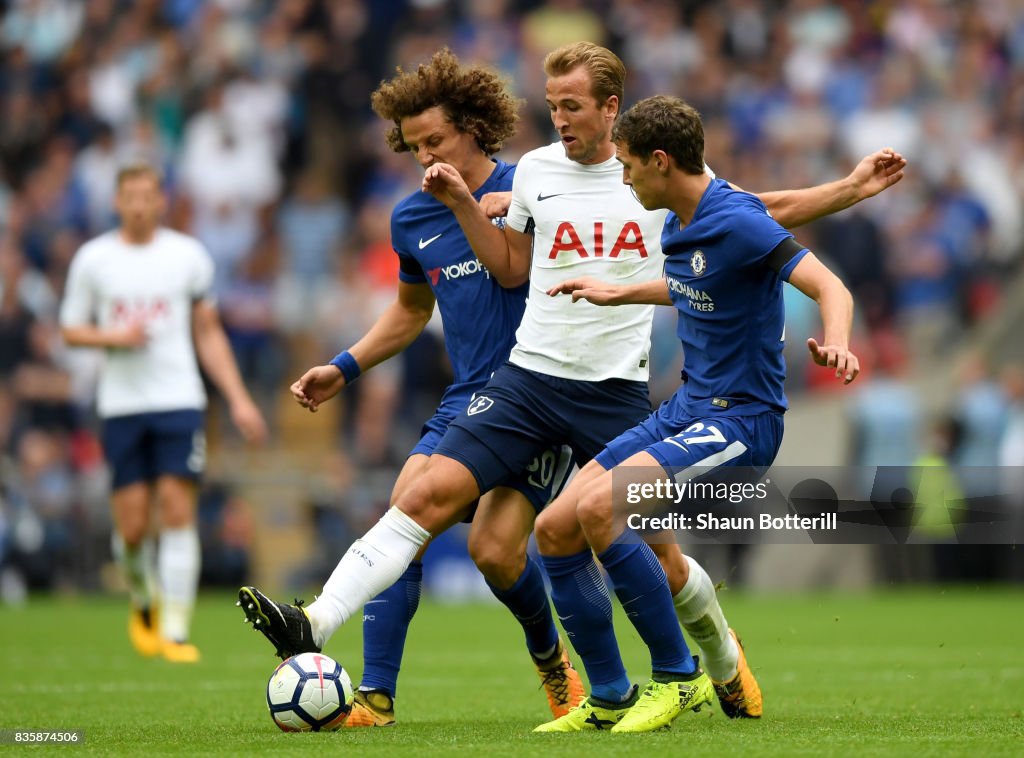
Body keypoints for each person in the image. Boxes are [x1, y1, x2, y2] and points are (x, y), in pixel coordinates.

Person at [237, 42, 903, 724]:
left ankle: (721, 661)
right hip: (529, 377)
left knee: (656, 558)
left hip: (614, 391)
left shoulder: (650, 169)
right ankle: (316, 624)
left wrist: (848, 191)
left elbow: (755, 213)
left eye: (572, 105)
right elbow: (507, 268)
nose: (558, 118)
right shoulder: (535, 171)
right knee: (431, 494)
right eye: (551, 105)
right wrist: (469, 206)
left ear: (611, 109)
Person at [240, 48, 585, 727]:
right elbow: (409, 310)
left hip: (541, 396)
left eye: (438, 140)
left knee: (492, 551)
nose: (427, 156)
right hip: (469, 400)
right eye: (415, 145)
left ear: (476, 128)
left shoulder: (534, 186)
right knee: (406, 512)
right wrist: (343, 366)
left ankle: (555, 667)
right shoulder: (412, 218)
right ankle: (375, 697)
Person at [533, 93, 861, 731]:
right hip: (686, 408)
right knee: (556, 526)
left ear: (660, 161)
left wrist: (839, 340)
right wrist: (620, 290)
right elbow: (696, 282)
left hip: (741, 419)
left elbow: (829, 284)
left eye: (628, 165)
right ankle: (608, 695)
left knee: (606, 509)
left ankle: (679, 678)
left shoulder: (735, 218)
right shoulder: (681, 215)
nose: (622, 178)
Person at [60, 163, 268, 663]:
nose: (138, 203)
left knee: (178, 513)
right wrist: (116, 337)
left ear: (160, 200)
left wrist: (237, 397)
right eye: (128, 195)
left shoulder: (187, 256)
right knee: (131, 529)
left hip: (179, 400)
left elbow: (208, 330)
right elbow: (71, 329)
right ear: (117, 202)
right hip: (122, 404)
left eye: (147, 195)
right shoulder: (94, 259)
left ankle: (175, 630)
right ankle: (142, 599)